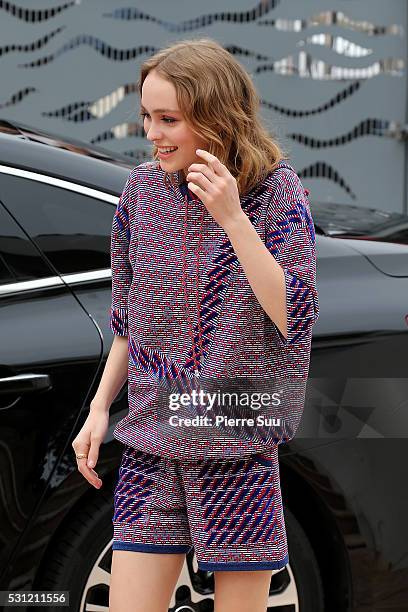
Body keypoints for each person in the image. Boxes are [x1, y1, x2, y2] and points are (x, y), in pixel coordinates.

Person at [72, 37, 320, 612]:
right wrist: (100, 407)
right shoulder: (141, 191)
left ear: (216, 117)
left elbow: (293, 312)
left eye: (169, 119)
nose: (152, 133)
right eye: (146, 117)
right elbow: (132, 319)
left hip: (237, 438)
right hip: (154, 440)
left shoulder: (275, 192)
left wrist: (232, 217)